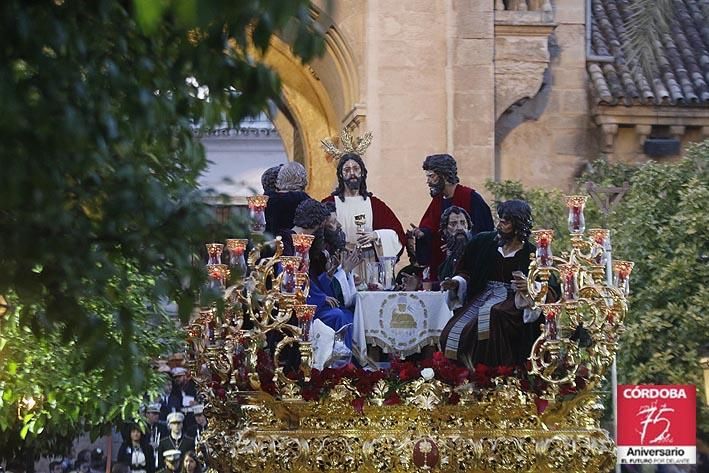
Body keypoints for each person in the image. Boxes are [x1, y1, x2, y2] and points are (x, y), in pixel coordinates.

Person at [439, 200, 540, 368]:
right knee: (452, 331)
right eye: (499, 219)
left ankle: (493, 374)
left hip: (512, 303)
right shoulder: (483, 243)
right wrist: (456, 283)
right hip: (482, 296)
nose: (499, 225)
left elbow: (547, 287)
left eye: (505, 222)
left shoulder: (532, 254)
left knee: (493, 315)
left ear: (518, 226)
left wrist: (529, 286)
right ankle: (459, 375)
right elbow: (466, 270)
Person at [322, 153, 406, 281]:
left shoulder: (375, 204)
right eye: (347, 170)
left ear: (362, 173)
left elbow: (398, 233)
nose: (352, 173)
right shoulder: (330, 203)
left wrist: (376, 235)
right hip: (341, 261)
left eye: (356, 169)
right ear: (340, 174)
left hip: (369, 262)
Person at [411, 154, 494, 283]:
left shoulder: (471, 198)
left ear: (444, 176)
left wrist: (461, 242)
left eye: (431, 176)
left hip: (467, 272)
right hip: (442, 269)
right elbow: (432, 230)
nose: (428, 181)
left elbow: (486, 234)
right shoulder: (438, 201)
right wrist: (423, 234)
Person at [264, 162, 310, 236]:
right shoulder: (305, 201)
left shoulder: (267, 200)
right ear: (303, 179)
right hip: (294, 244)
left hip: (269, 243)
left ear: (280, 177)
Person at [437, 206, 473, 281]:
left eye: (463, 223)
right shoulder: (443, 258)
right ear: (445, 230)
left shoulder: (478, 251)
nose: (459, 227)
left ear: (468, 226)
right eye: (453, 224)